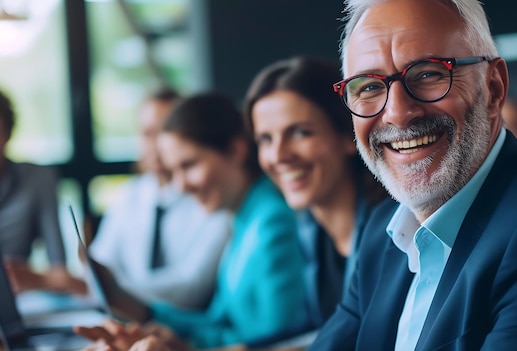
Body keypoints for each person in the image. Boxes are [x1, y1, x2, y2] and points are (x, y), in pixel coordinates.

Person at [308, 0, 517, 350]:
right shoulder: (384, 232)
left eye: (428, 73)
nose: (397, 113)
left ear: (493, 88)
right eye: (368, 87)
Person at [74, 92, 306, 349]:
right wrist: (149, 320)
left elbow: (273, 341)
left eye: (189, 165)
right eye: (173, 171)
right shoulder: (243, 218)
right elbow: (219, 322)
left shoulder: (272, 222)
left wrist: (182, 345)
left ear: (235, 150)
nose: (181, 186)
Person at [241, 56, 389, 348]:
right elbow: (317, 331)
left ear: (349, 135)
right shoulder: (311, 230)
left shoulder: (392, 234)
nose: (279, 156)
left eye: (300, 132)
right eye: (266, 139)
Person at [89, 88, 232, 310]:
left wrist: (113, 290)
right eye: (147, 133)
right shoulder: (129, 195)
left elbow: (191, 288)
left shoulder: (210, 196)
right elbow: (102, 265)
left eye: (164, 132)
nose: (156, 145)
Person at [0, 88, 86, 295]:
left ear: (8, 132)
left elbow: (59, 269)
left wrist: (35, 278)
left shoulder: (38, 179)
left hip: (19, 299)